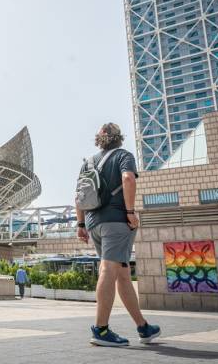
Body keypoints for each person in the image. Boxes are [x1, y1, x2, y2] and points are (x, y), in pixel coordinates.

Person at [76, 123, 161, 347]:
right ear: (119, 139)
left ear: (99, 139)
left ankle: (143, 327)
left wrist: (81, 224)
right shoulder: (124, 155)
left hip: (94, 223)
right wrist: (130, 212)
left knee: (122, 273)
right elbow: (128, 180)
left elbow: (79, 195)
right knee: (108, 269)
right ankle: (101, 330)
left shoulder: (88, 162)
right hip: (116, 222)